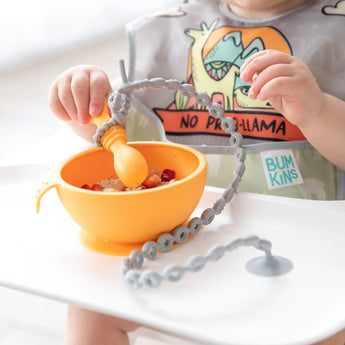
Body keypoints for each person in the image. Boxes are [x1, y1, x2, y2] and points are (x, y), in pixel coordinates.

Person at [48, 0, 345, 344]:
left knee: (332, 326)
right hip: (180, 238)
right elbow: (118, 131)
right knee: (91, 308)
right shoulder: (171, 31)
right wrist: (84, 98)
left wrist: (319, 111)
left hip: (307, 256)